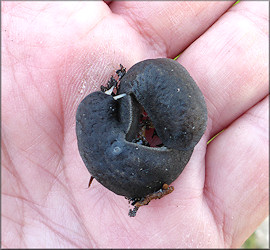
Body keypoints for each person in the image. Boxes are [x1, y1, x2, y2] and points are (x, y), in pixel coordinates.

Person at [2, 1, 268, 248]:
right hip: (145, 148)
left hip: (154, 144)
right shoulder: (119, 114)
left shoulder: (143, 116)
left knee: (174, 131)